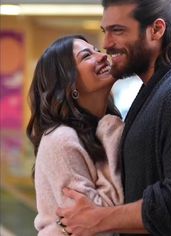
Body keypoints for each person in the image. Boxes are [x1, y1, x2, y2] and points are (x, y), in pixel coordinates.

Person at [56, 0, 171, 235]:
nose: (106, 44)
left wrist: (96, 218)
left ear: (156, 30)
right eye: (106, 31)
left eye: (118, 30)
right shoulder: (157, 91)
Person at [26, 34, 124, 235]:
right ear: (69, 85)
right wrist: (111, 130)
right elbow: (95, 223)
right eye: (86, 56)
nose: (102, 56)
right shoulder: (61, 139)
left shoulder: (97, 128)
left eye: (96, 50)